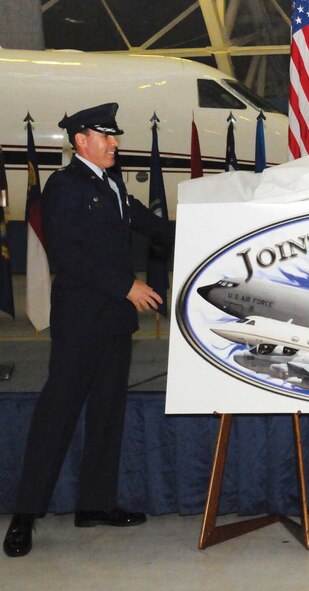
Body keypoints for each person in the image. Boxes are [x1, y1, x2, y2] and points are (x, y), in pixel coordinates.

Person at [4, 103, 170, 558]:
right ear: (81, 140)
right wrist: (126, 285)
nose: (115, 143)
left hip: (115, 321)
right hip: (80, 322)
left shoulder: (112, 183)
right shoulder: (64, 186)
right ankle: (25, 515)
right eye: (106, 135)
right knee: (56, 416)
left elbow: (151, 225)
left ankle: (95, 504)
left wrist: (211, 235)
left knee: (107, 415)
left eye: (114, 136)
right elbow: (67, 254)